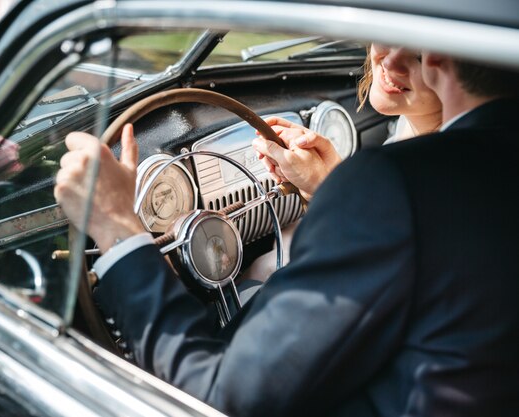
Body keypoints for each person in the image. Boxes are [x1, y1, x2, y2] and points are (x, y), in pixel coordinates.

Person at [54, 50, 519, 416]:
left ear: (437, 55)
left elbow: (224, 399)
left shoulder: (394, 179)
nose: (391, 61)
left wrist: (117, 227)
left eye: (415, 49)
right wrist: (332, 190)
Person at [244, 44, 442, 278]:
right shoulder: (411, 121)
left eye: (419, 55)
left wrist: (325, 187)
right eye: (391, 34)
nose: (390, 62)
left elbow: (383, 265)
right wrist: (329, 176)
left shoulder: (440, 167)